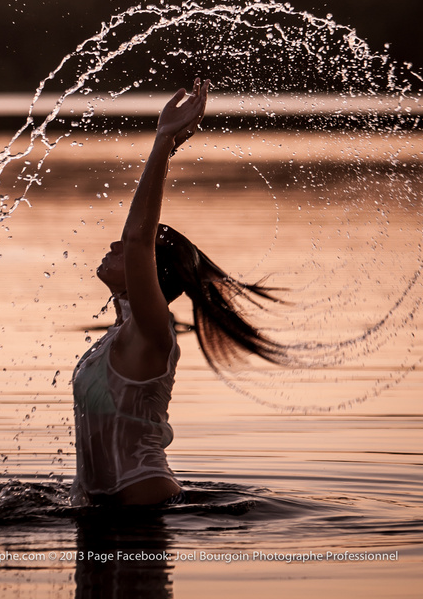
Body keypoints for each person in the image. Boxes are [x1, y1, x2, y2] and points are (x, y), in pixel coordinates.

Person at [71, 78, 287, 507]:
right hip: (102, 509)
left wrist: (163, 142)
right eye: (121, 245)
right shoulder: (121, 335)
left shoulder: (153, 333)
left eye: (131, 250)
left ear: (149, 269)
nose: (116, 245)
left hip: (144, 506)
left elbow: (137, 237)